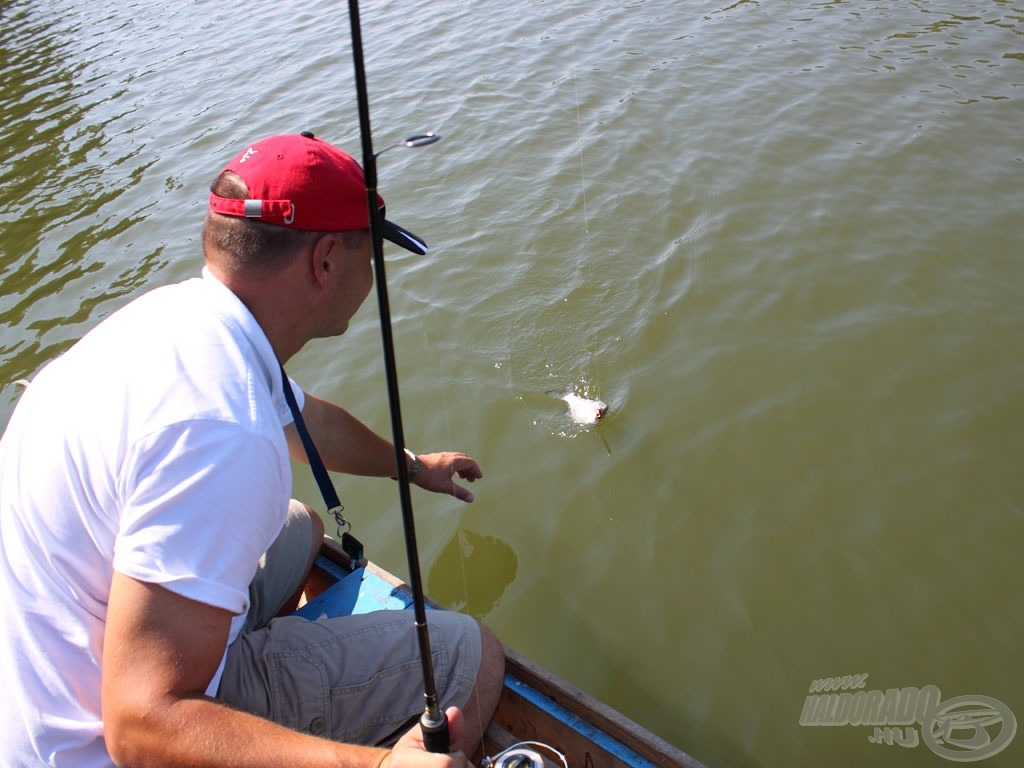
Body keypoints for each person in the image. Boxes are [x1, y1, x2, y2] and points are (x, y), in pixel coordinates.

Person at [0, 132, 505, 767]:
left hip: (45, 676)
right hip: (101, 739)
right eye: (368, 252)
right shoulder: (223, 430)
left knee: (297, 527)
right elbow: (139, 727)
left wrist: (413, 468)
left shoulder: (183, 323)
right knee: (469, 651)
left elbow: (309, 422)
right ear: (325, 262)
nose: (373, 273)